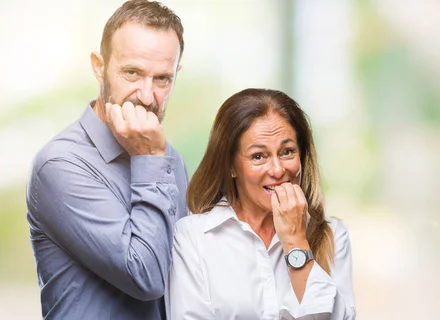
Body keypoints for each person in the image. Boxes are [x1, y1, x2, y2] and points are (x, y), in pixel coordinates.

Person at [25, 1, 188, 319]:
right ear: (99, 66)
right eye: (132, 73)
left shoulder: (170, 158)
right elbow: (147, 277)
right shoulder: (59, 165)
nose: (146, 94)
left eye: (162, 79)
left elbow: (186, 274)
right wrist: (149, 157)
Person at [166, 88, 356, 319]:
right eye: (258, 156)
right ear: (231, 166)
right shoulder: (194, 237)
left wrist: (296, 242)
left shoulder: (333, 236)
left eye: (287, 152)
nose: (277, 170)